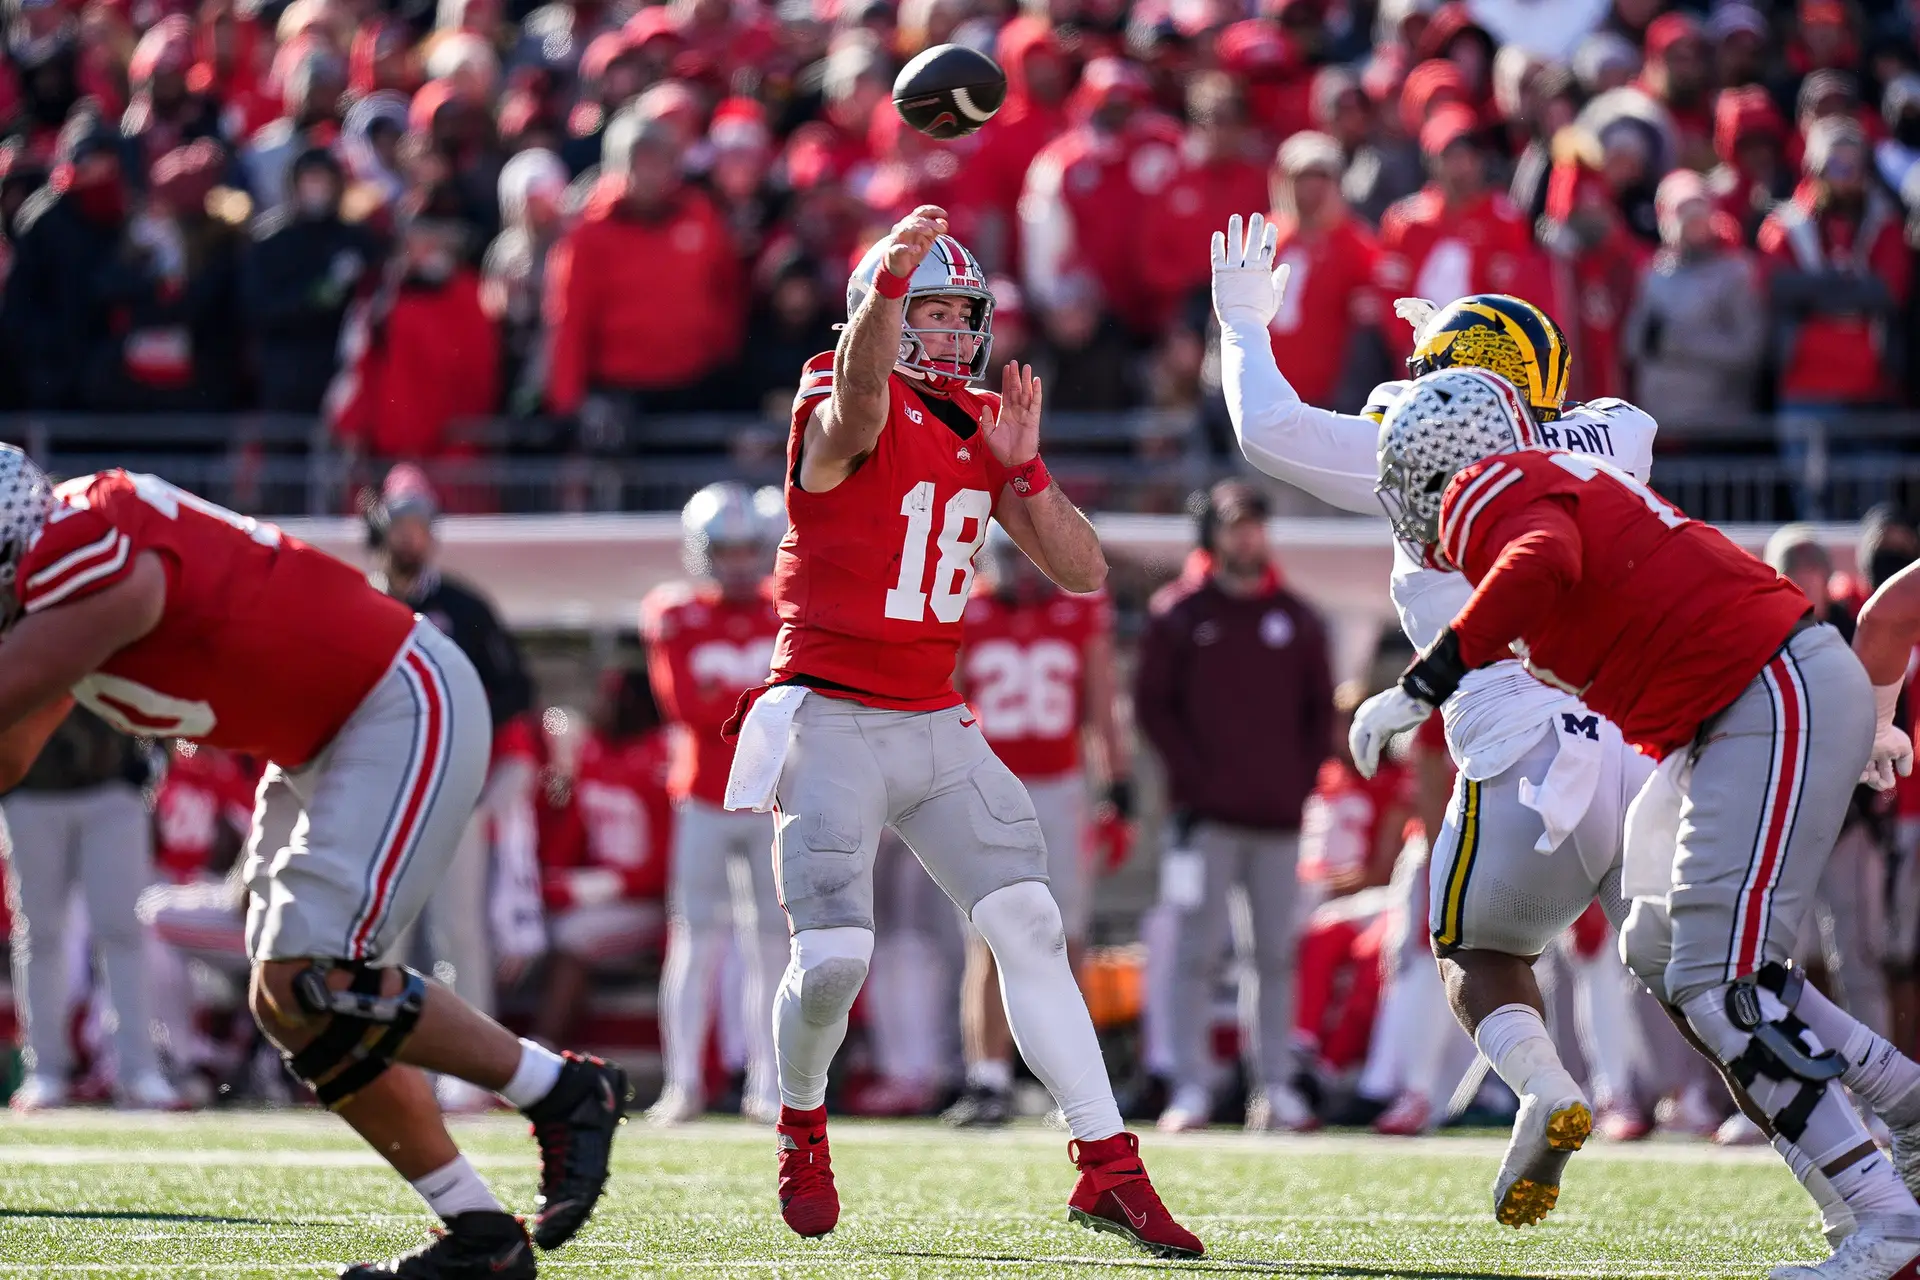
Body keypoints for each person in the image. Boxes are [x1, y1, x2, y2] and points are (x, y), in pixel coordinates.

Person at [0, 452, 626, 1276]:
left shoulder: (83, 540)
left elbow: (69, 643)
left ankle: (562, 1090)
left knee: (312, 975)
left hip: (397, 698)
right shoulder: (59, 587)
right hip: (319, 744)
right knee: (289, 1001)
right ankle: (478, 1230)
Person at [1361, 367, 1920, 1280]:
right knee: (1661, 952)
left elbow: (1540, 559)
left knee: (1718, 986)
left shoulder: (1489, 489)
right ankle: (1907, 1111)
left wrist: (1423, 683)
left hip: (1761, 697)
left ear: (1438, 465)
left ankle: (1888, 1222)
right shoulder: (1561, 473)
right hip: (1741, 708)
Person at [719, 204, 1201, 1258]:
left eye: (955, 313)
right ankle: (802, 1119)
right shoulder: (836, 393)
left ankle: (1108, 1165)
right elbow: (855, 401)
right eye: (921, 311)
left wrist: (1024, 468)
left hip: (932, 714)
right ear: (879, 313)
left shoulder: (982, 416)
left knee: (1030, 924)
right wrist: (883, 295)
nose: (943, 332)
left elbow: (1083, 570)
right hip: (831, 711)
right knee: (838, 957)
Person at [1212, 212, 1661, 1227]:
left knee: (1467, 946)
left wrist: (1242, 325)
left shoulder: (1420, 440)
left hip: (1509, 741)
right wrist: (1470, 345)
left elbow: (1267, 430)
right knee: (1709, 971)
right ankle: (1860, 1148)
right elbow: (1577, 412)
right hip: (1629, 743)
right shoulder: (1619, 433)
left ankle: (1545, 1082)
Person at [1133, 480, 1334, 1134]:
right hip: (1205, 820)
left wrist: (1297, 785)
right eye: (1234, 525)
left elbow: (1317, 716)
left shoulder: (1299, 619)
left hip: (1277, 820)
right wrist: (1195, 780)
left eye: (1255, 524)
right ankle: (1189, 1084)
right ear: (1210, 534)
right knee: (1194, 951)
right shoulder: (1180, 614)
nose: (1247, 537)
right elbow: (1152, 709)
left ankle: (1274, 1087)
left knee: (1274, 956)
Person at [365, 467, 545, 1112]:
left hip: (451, 788)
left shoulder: (464, 608)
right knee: (379, 930)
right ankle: (374, 1056)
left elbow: (513, 693)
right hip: (377, 795)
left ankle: (468, 1066)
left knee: (457, 932)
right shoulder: (359, 602)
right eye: (402, 525)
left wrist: (498, 768)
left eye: (421, 526)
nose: (412, 539)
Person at [943, 525, 1131, 1128]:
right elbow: (943, 699)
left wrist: (1117, 786)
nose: (1025, 572)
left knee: (1065, 935)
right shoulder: (967, 610)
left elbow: (1102, 703)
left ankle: (1072, 1086)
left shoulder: (1078, 610)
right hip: (986, 785)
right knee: (986, 937)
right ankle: (989, 1079)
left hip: (1058, 787)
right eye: (1014, 560)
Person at [640, 482, 785, 1125]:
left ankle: (770, 1086)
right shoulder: (674, 612)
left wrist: (741, 704)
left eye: (746, 547)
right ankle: (683, 1084)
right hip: (702, 794)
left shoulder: (784, 609)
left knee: (773, 945)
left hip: (770, 796)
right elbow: (687, 708)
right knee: (694, 940)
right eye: (723, 549)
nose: (735, 561)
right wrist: (754, 707)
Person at [4, 706, 177, 1111]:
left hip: (112, 786)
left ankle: (139, 1071)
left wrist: (152, 762)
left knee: (122, 932)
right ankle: (45, 1071)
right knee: (39, 934)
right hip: (30, 788)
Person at [533, 667, 672, 1048]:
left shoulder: (663, 759)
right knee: (528, 927)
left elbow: (667, 865)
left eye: (613, 699)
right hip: (607, 894)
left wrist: (595, 887)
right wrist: (556, 879)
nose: (602, 707)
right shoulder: (592, 753)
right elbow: (571, 832)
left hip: (649, 903)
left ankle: (543, 1045)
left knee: (575, 936)